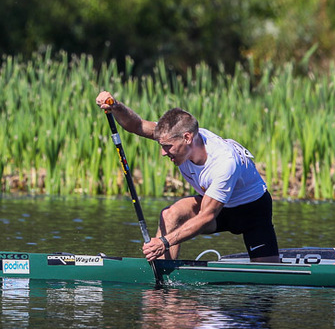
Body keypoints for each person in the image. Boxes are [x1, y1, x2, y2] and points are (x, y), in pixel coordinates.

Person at [96, 91, 280, 263]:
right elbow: (137, 125)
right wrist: (116, 106)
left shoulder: (224, 162)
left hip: (252, 211)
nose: (163, 152)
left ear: (187, 138)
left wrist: (164, 242)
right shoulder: (177, 137)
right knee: (170, 214)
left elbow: (206, 217)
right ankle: (163, 278)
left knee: (266, 289)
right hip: (216, 205)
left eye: (167, 146)